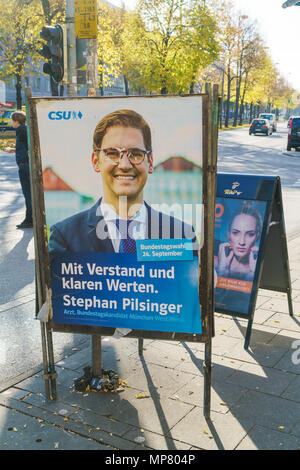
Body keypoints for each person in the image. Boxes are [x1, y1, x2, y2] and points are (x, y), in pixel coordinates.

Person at [48, 109, 197, 254]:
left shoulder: (181, 236)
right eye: (112, 153)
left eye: (136, 154)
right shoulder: (65, 238)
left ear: (150, 163)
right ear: (96, 161)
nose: (125, 165)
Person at [214, 201, 263, 281]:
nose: (242, 242)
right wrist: (222, 270)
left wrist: (253, 274)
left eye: (250, 234)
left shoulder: (260, 268)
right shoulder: (215, 263)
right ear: (228, 233)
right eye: (235, 233)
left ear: (257, 236)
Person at [7, 111, 33, 229]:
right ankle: (30, 218)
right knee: (28, 193)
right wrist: (15, 150)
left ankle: (30, 219)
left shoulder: (21, 130)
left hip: (24, 165)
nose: (12, 122)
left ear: (16, 121)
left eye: (12, 120)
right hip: (25, 164)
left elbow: (29, 145)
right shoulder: (23, 129)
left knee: (27, 193)